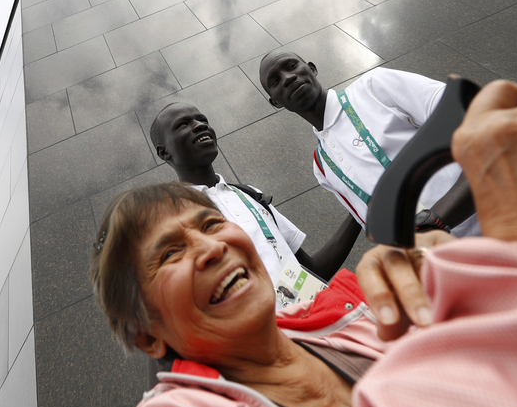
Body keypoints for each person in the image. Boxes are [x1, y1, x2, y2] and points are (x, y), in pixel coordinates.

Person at [90, 80, 517, 407]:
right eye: (170, 253)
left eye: (213, 227)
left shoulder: (358, 321)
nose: (211, 247)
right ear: (144, 331)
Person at [150, 102, 363, 305]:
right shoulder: (173, 221)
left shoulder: (249, 194)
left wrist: (362, 205)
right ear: (163, 152)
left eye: (202, 119)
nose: (200, 125)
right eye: (183, 124)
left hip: (320, 325)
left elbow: (313, 271)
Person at [259, 52, 479, 237]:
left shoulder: (374, 86)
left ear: (312, 68)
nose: (288, 77)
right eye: (275, 81)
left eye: (291, 66)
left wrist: (435, 221)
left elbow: (477, 120)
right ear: (275, 102)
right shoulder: (322, 166)